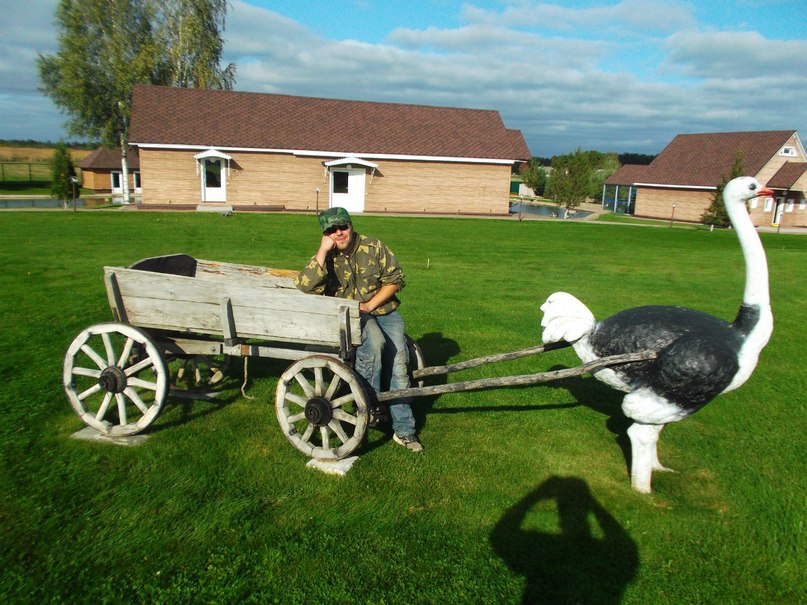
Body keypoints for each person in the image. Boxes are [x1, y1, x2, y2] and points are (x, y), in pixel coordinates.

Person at [294, 207, 423, 452]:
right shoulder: (328, 256)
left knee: (398, 363)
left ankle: (404, 431)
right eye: (331, 230)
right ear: (325, 233)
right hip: (349, 317)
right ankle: (370, 406)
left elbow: (396, 279)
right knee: (373, 342)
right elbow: (304, 287)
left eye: (342, 227)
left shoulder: (372, 247)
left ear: (351, 225)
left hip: (383, 311)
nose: (339, 233)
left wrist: (370, 305)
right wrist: (322, 250)